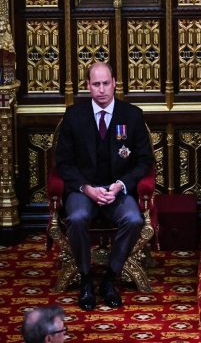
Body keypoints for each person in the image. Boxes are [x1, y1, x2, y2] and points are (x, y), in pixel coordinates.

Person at [55, 62, 154, 310]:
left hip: (117, 190)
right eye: (96, 84)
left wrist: (121, 185)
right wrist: (86, 188)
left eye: (106, 83)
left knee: (133, 219)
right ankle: (86, 279)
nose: (101, 90)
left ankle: (110, 278)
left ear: (115, 83)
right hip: (83, 191)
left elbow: (145, 161)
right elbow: (63, 163)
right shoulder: (74, 116)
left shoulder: (132, 115)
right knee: (76, 218)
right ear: (88, 86)